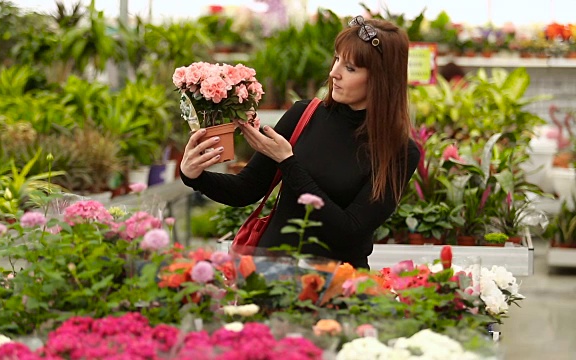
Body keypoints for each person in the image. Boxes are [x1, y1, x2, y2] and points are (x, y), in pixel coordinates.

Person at [179, 16, 420, 269]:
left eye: (350, 68)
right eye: (336, 59)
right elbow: (246, 188)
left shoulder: (399, 151)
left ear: (381, 78)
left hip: (338, 286)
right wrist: (194, 175)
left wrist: (288, 162)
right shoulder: (305, 115)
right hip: (272, 274)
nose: (334, 73)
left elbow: (350, 230)